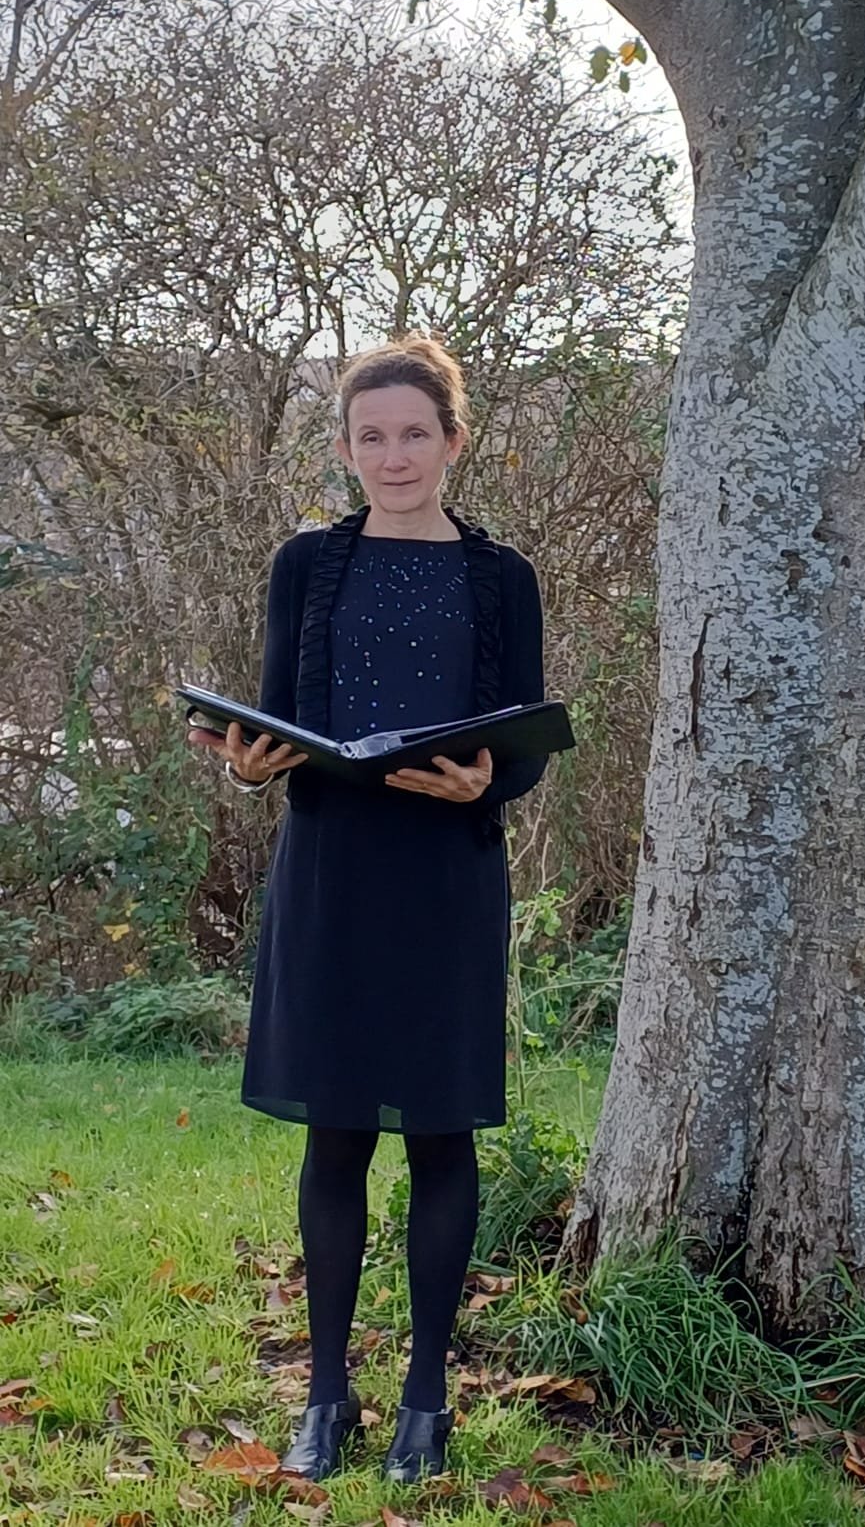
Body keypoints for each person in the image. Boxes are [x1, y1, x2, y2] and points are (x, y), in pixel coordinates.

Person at [188, 335, 547, 1484]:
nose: (393, 456)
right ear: (345, 447)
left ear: (452, 440)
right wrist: (249, 763)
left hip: (446, 876)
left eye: (414, 433)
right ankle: (327, 1395)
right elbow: (285, 714)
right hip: (333, 869)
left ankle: (427, 1401)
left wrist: (492, 778)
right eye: (370, 436)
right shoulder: (308, 564)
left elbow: (523, 744)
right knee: (336, 1133)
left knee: (441, 1135)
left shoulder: (503, 579)